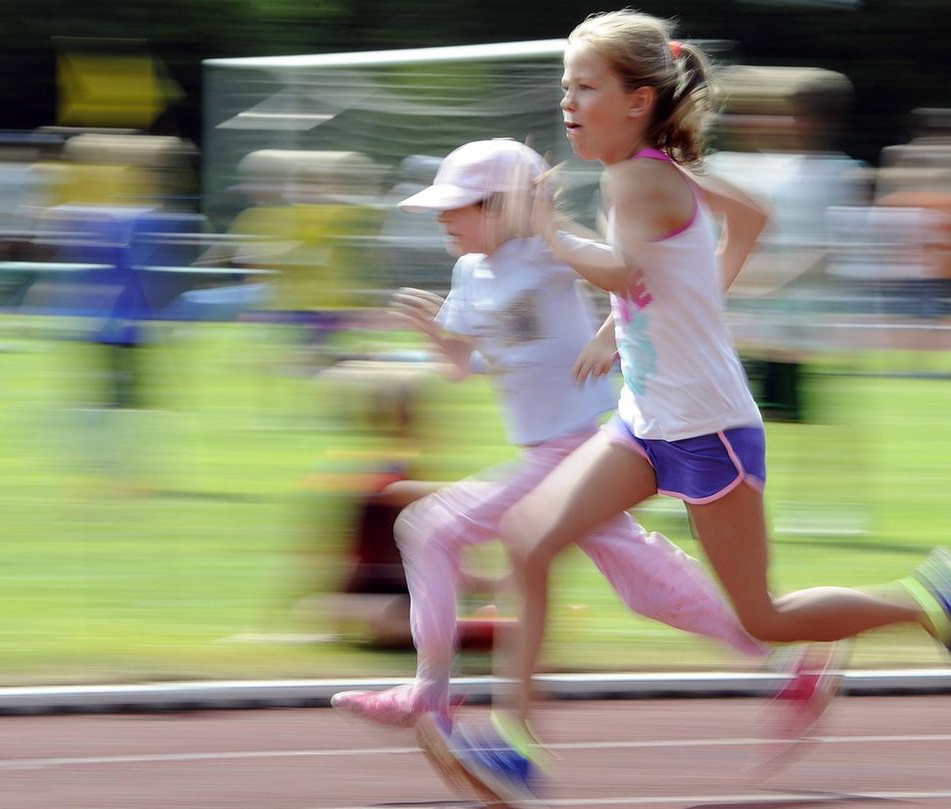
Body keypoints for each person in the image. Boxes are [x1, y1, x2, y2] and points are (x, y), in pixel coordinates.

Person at [421, 12, 951, 807]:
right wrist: (660, 314)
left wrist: (548, 228)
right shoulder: (660, 169)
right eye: (565, 87)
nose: (567, 102)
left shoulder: (635, 180)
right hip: (645, 421)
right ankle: (515, 746)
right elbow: (743, 224)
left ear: (636, 100)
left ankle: (934, 602)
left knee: (764, 616)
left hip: (708, 431)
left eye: (584, 87)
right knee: (529, 537)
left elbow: (625, 272)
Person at [330, 138, 783, 728]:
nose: (442, 218)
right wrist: (437, 339)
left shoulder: (546, 251)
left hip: (577, 445)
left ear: (504, 206)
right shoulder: (469, 273)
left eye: (457, 206)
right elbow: (464, 365)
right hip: (564, 454)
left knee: (429, 531)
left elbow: (638, 279)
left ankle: (430, 693)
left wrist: (607, 337)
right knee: (643, 584)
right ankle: (780, 661)